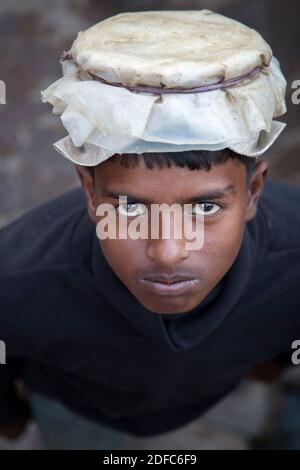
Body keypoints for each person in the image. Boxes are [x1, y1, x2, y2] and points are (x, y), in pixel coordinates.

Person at [0, 9, 298, 449]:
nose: (168, 251)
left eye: (205, 206)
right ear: (88, 189)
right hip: (78, 412)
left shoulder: (295, 257)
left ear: (253, 192)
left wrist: (270, 364)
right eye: (128, 207)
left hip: (220, 393)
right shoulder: (15, 281)